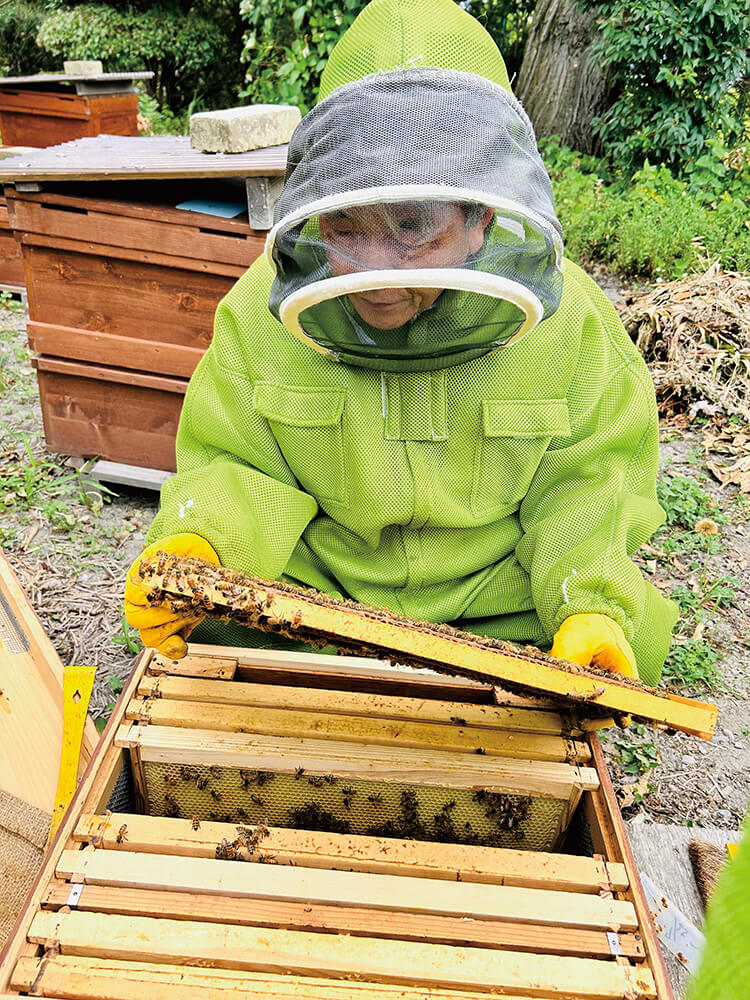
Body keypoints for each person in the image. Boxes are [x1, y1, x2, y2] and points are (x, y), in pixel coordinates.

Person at [125, 0, 678, 686]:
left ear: (480, 216)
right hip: (323, 595)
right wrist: (198, 542)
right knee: (203, 616)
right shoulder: (256, 312)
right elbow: (238, 466)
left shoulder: (574, 321)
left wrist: (589, 603)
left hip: (496, 602)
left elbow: (589, 486)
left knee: (612, 643)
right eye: (346, 228)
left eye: (411, 227)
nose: (372, 269)